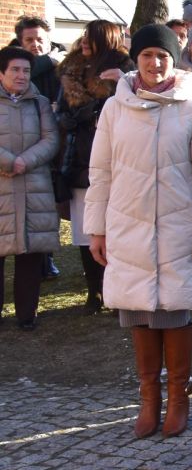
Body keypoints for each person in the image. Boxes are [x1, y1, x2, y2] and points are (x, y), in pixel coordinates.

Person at [85, 24, 192, 439]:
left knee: (174, 311)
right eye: (147, 55)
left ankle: (179, 398)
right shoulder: (115, 108)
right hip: (127, 226)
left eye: (162, 56)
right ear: (137, 59)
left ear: (174, 59)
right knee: (139, 315)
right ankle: (149, 398)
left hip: (179, 227)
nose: (154, 63)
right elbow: (101, 173)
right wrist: (97, 230)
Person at [55, 20, 134, 312]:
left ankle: (118, 291)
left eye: (93, 36)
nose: (85, 40)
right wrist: (70, 119)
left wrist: (99, 107)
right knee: (86, 230)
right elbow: (60, 112)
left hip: (114, 159)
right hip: (78, 159)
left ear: (107, 39)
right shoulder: (71, 69)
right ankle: (95, 292)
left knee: (116, 230)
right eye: (84, 35)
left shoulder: (126, 71)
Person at [0, 46, 58, 330]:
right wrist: (9, 162)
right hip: (3, 184)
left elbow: (51, 140)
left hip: (34, 184)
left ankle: (26, 314)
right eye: (15, 69)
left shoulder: (40, 103)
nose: (21, 75)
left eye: (26, 70)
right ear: (2, 72)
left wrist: (26, 160)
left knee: (30, 252)